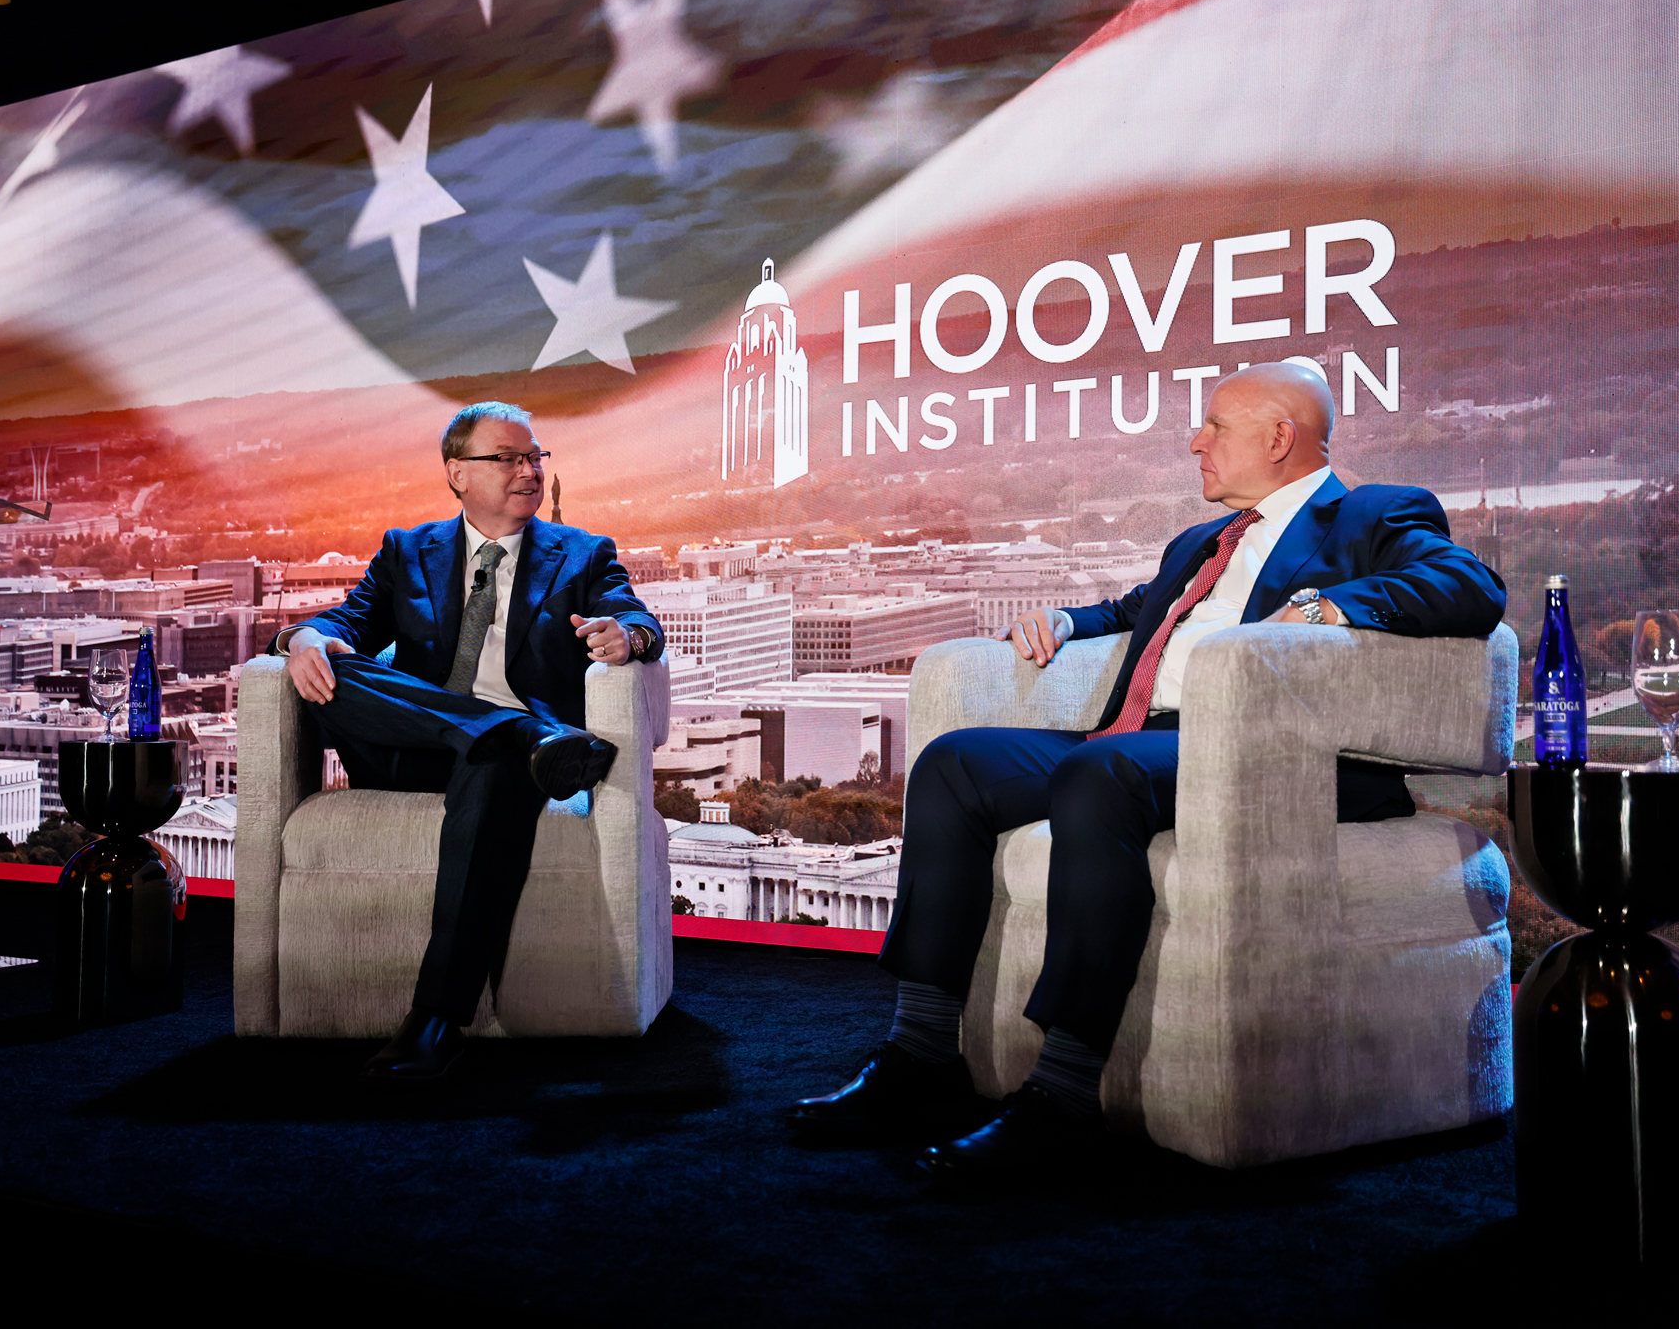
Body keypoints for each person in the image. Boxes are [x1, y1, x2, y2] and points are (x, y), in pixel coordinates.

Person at [787, 363, 1506, 1176]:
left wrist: (1326, 607)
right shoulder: (1201, 542)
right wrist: (1065, 619)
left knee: (1103, 775)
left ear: (1279, 438)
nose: (1195, 441)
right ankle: (919, 1054)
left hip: (1271, 758)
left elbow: (1468, 584)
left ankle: (1061, 1097)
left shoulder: (1374, 513)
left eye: (1215, 427)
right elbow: (1136, 613)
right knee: (954, 764)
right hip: (1141, 741)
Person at [276, 401, 663, 1080]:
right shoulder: (406, 550)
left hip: (498, 774)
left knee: (496, 764)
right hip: (416, 748)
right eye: (508, 457)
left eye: (535, 456)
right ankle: (514, 732)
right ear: (457, 473)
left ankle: (433, 1022)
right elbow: (348, 622)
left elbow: (636, 616)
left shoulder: (582, 555)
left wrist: (627, 638)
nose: (528, 470)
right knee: (334, 663)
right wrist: (300, 636)